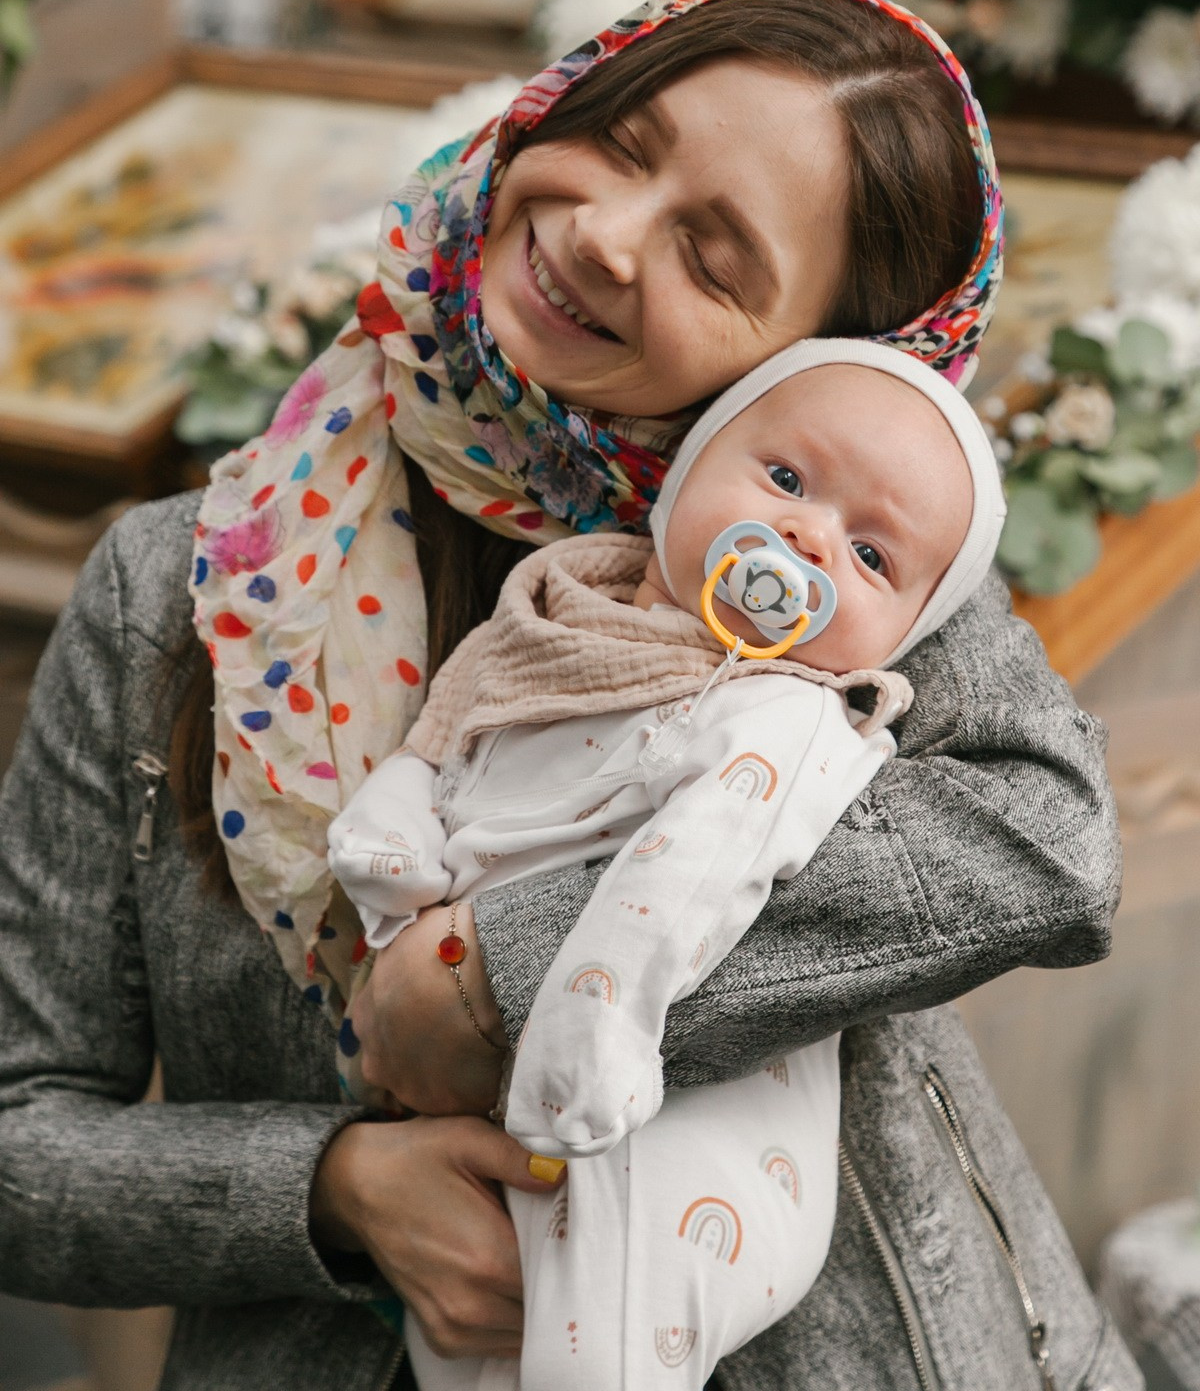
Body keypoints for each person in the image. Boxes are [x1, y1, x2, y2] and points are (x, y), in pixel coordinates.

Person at [0, 0, 1138, 1391]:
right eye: (626, 142)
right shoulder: (189, 585)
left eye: (713, 260)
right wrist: (335, 1192)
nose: (598, 236)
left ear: (816, 365)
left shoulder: (827, 558)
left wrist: (501, 976)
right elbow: (20, 1131)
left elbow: (1048, 842)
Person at [329, 338, 1007, 1390]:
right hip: (484, 1135)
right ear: (687, 468)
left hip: (671, 1132)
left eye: (873, 558)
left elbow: (690, 873)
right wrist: (395, 845)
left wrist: (592, 1028)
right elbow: (450, 752)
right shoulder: (554, 627)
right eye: (785, 478)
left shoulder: (780, 715)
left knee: (601, 1344)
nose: (809, 537)